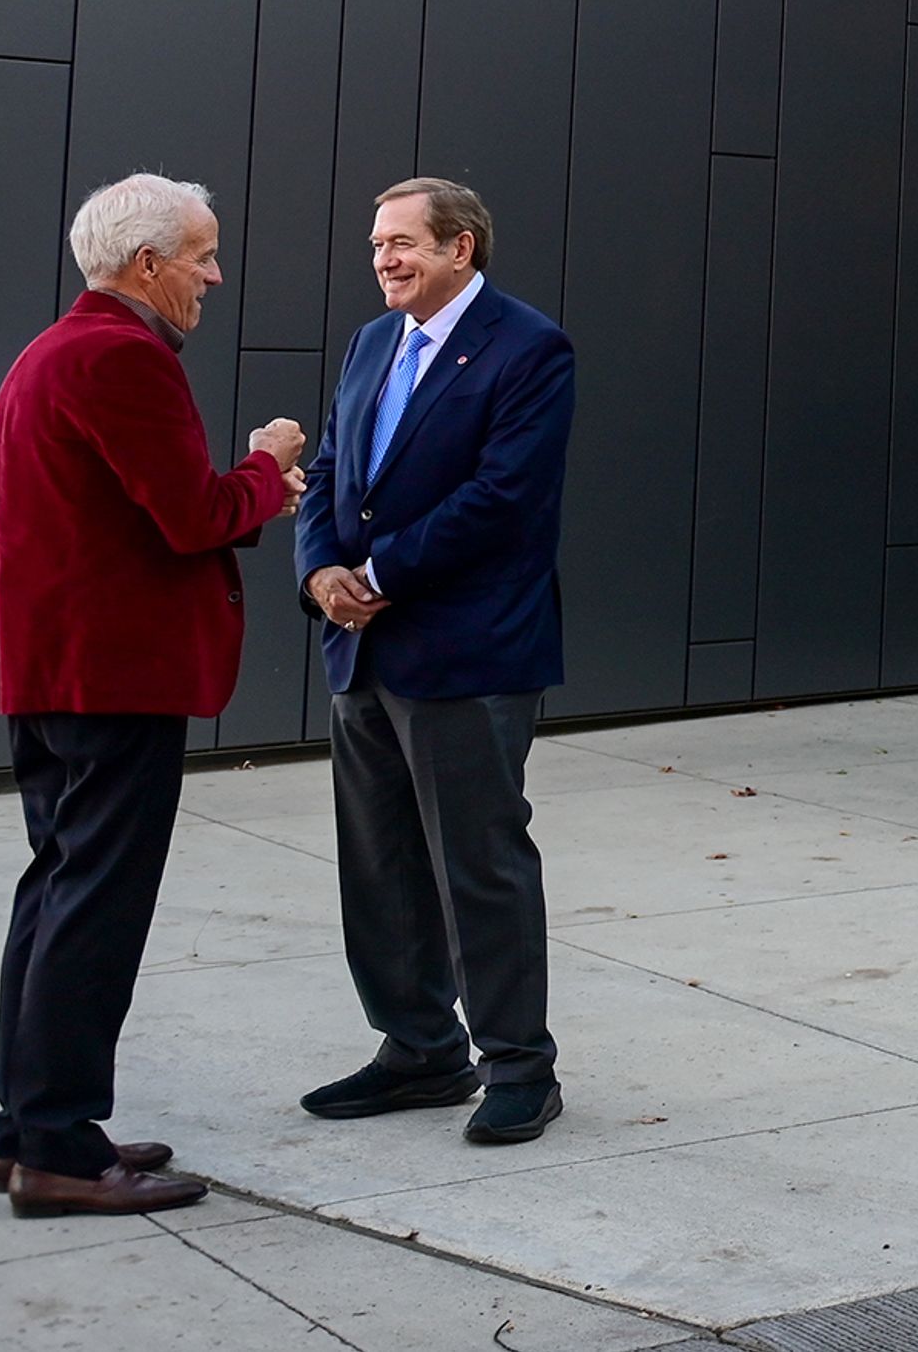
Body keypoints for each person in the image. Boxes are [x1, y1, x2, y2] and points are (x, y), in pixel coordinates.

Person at [0, 175, 305, 1215]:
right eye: (203, 255)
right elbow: (190, 512)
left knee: (57, 889)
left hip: (59, 670)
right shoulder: (122, 356)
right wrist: (268, 468)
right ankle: (62, 1151)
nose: (215, 274)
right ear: (147, 265)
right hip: (113, 677)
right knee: (94, 905)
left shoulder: (52, 351)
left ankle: (34, 1127)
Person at [296, 179, 578, 1147]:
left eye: (404, 241)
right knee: (379, 865)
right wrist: (321, 569)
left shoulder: (529, 346)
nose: (383, 258)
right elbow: (332, 465)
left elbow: (504, 498)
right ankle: (419, 1047)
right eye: (378, 242)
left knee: (477, 864)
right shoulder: (372, 342)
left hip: (469, 651)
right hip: (364, 644)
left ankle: (518, 1066)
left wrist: (375, 569)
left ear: (463, 247)